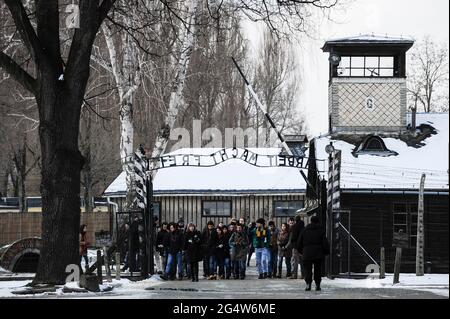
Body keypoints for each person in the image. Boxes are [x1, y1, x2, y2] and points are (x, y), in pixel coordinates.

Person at [298, 216, 330, 291]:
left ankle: (308, 284)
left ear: (310, 221)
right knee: (318, 269)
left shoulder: (304, 230)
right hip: (318, 253)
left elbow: (299, 242)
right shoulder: (321, 231)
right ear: (317, 222)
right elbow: (325, 243)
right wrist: (326, 252)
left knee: (307, 269)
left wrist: (301, 251)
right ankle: (317, 284)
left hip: (307, 252)